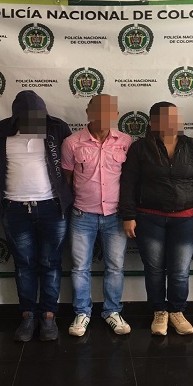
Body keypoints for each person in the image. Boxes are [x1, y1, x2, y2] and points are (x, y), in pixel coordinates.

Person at [119, 101, 193, 336]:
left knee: (179, 271)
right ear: (153, 123)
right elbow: (128, 183)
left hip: (186, 219)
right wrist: (128, 215)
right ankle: (159, 311)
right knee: (154, 270)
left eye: (175, 117)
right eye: (165, 118)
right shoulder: (140, 148)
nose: (172, 122)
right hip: (149, 218)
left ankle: (177, 311)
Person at [0, 90, 73, 342]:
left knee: (50, 263)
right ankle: (28, 316)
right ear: (16, 117)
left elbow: (68, 165)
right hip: (15, 210)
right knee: (24, 265)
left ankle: (48, 315)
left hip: (52, 208)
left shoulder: (57, 129)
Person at [62, 94, 133, 337]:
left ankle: (112, 311)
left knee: (115, 267)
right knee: (80, 268)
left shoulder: (125, 141)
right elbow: (67, 179)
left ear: (115, 114)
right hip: (82, 215)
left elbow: (129, 179)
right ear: (88, 112)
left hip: (115, 216)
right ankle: (82, 312)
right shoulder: (72, 143)